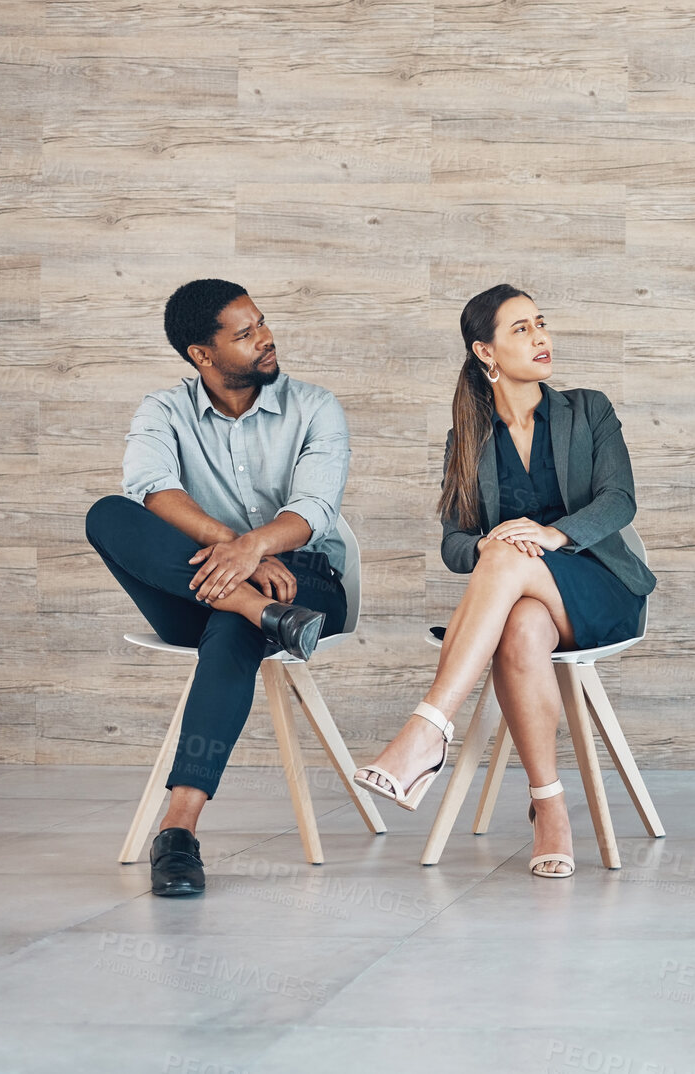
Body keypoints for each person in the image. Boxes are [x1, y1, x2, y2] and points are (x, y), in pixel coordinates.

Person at [354, 285, 654, 879]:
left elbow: (619, 501)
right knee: (516, 621)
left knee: (509, 559)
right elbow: (454, 542)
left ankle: (427, 731)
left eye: (540, 324)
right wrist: (488, 546)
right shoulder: (466, 439)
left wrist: (551, 536)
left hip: (600, 589)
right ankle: (551, 810)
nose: (541, 337)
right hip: (523, 603)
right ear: (485, 352)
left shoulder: (589, 410)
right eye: (520, 329)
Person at [85, 279, 351, 897]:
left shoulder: (315, 406)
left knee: (234, 626)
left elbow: (314, 506)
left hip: (304, 583)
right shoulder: (162, 410)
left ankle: (178, 829)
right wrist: (238, 556)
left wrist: (252, 550)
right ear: (202, 355)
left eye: (261, 322)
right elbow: (151, 488)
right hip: (209, 586)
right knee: (108, 514)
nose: (266, 338)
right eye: (245, 333)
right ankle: (260, 611)